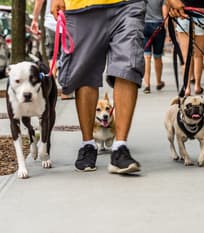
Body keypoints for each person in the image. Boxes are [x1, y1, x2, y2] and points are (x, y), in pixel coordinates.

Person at [50, 0, 186, 174]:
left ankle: (120, 147)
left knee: (129, 66)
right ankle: (88, 145)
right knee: (86, 72)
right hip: (82, 6)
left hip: (128, 4)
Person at [31, 0, 74, 100]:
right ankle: (66, 91)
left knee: (52, 58)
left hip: (52, 23)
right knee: (68, 55)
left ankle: (50, 90)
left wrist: (35, 19)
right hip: (68, 21)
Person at [176, 0, 204, 96]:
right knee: (198, 56)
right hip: (201, 15)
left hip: (184, 15)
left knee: (186, 57)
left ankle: (187, 87)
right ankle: (197, 86)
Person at [143, 0, 168, 94]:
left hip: (145, 25)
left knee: (147, 56)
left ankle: (147, 85)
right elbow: (165, 13)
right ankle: (158, 82)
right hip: (158, 25)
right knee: (157, 56)